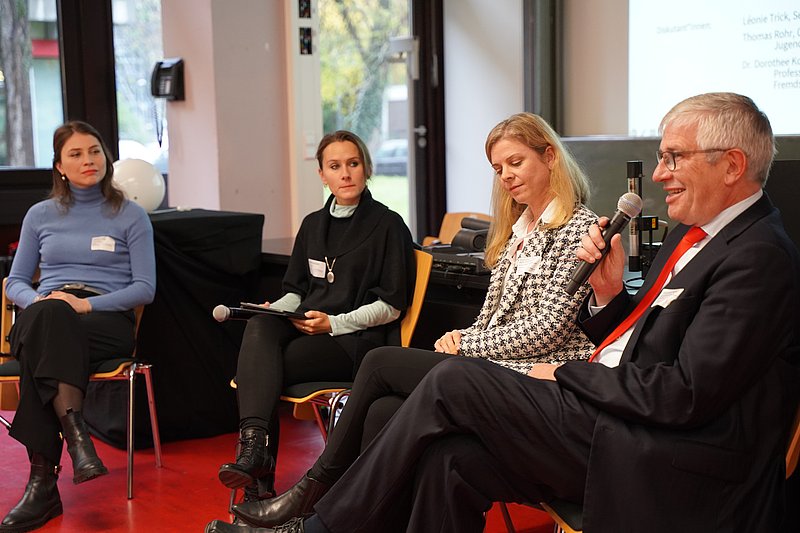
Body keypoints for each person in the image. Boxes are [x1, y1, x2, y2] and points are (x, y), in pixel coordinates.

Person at [209, 93, 800, 533]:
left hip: (657, 450)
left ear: (731, 165)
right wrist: (609, 298)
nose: (661, 172)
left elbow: (685, 395)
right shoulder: (690, 237)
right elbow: (641, 341)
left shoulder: (758, 257)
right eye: (662, 156)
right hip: (610, 411)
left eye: (674, 157)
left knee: (450, 380)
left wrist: (567, 373)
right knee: (447, 457)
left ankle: (317, 523)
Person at [211, 111, 598, 530]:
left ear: (550, 157)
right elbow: (491, 317)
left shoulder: (581, 228)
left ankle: (311, 497)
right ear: (322, 175)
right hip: (493, 365)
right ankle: (319, 508)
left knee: (380, 362)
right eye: (498, 168)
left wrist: (467, 344)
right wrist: (462, 334)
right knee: (382, 410)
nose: (505, 176)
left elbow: (548, 329)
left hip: (535, 377)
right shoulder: (518, 230)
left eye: (515, 163)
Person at [215, 131, 416, 500]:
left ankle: (257, 481)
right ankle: (255, 453)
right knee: (260, 325)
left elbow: (392, 306)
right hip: (307, 328)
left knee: (258, 371)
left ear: (367, 168)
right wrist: (276, 310)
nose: (346, 173)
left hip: (355, 341)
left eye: (353, 164)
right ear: (322, 175)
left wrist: (334, 323)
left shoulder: (388, 225)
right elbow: (296, 292)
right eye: (335, 166)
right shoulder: (312, 224)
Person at [0, 121, 156, 532]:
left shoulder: (131, 215)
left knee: (43, 347)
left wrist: (83, 305)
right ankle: (77, 436)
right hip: (45, 313)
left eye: (94, 151)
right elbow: (15, 282)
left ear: (106, 157)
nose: (88, 160)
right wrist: (41, 302)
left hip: (103, 319)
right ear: (59, 166)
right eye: (76, 154)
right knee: (50, 319)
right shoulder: (39, 215)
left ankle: (42, 485)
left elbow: (145, 288)